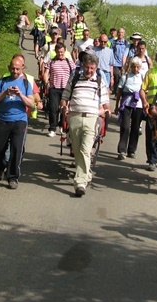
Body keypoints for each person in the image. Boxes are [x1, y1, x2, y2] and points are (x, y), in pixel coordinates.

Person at [60, 52, 111, 197]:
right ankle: (87, 173)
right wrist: (64, 107)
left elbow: (106, 102)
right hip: (74, 117)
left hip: (92, 119)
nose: (89, 71)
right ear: (83, 66)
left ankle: (80, 183)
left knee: (85, 149)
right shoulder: (75, 78)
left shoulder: (99, 81)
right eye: (87, 67)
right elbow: (64, 96)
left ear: (96, 68)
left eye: (92, 68)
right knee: (77, 150)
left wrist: (106, 110)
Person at [0, 56, 37, 189]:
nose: (15, 71)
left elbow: (31, 104)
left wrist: (20, 95)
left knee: (16, 149)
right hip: (2, 119)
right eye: (12, 68)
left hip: (19, 121)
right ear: (9, 68)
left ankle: (13, 177)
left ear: (22, 68)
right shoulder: (2, 81)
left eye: (17, 68)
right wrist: (5, 93)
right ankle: (0, 168)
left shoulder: (26, 83)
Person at [114, 57, 144, 160]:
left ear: (140, 67)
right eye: (133, 67)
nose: (135, 69)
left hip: (138, 105)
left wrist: (145, 103)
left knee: (135, 128)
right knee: (125, 127)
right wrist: (117, 105)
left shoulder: (142, 77)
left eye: (137, 67)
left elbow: (144, 91)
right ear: (130, 67)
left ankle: (132, 150)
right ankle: (122, 150)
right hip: (126, 104)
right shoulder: (125, 77)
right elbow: (119, 92)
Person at [46, 43, 75, 138]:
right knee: (53, 108)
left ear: (65, 51)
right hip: (54, 88)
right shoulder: (52, 61)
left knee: (64, 109)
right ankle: (52, 128)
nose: (60, 54)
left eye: (62, 52)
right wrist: (47, 82)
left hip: (66, 89)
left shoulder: (69, 61)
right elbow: (46, 72)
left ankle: (62, 125)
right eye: (58, 52)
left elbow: (74, 73)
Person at [110, 28, 128, 95]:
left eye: (122, 32)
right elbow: (111, 52)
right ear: (117, 33)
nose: (120, 34)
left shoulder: (126, 43)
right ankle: (116, 91)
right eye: (119, 32)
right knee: (117, 75)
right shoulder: (114, 43)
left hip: (123, 64)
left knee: (122, 77)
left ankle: (120, 91)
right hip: (115, 63)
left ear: (124, 34)